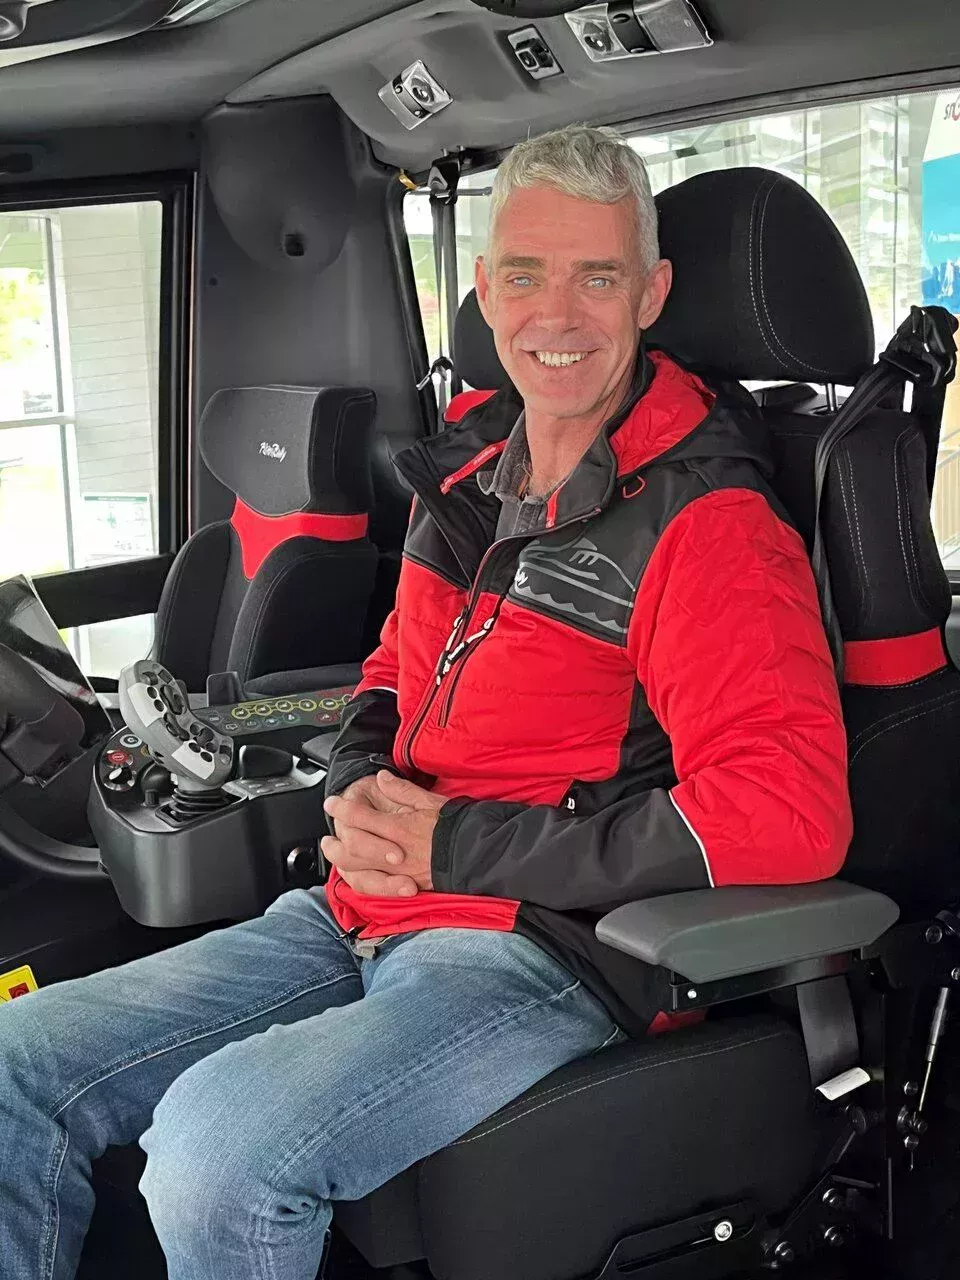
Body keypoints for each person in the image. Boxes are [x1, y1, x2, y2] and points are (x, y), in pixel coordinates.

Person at [0, 126, 851, 1280]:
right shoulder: (471, 472)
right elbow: (395, 668)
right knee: (15, 1062)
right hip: (363, 905)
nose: (557, 315)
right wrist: (361, 789)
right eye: (526, 274)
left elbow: (787, 811)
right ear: (484, 290)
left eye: (597, 277)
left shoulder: (709, 527)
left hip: (538, 947)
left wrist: (454, 843)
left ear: (650, 293)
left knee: (213, 1150)